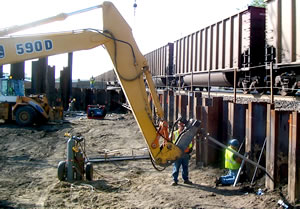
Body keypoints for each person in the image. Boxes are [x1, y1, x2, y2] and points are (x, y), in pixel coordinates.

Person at [171, 121, 195, 186]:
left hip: (185, 153)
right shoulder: (174, 133)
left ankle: (186, 179)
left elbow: (193, 141)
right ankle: (174, 180)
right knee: (176, 167)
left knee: (185, 167)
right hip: (177, 154)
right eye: (180, 125)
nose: (182, 126)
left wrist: (191, 148)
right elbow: (170, 142)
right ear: (178, 125)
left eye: (183, 125)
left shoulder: (188, 134)